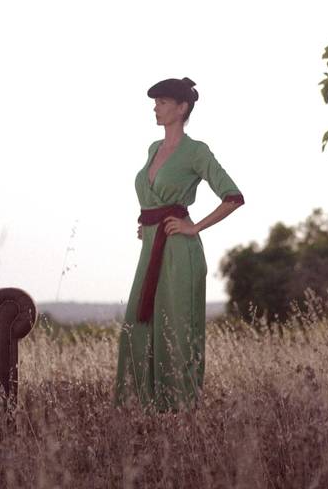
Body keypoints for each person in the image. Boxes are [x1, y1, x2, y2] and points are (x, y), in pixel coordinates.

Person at [114, 77, 244, 411]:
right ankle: (140, 410)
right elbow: (151, 198)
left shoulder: (196, 151)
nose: (155, 108)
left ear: (182, 107)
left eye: (162, 102)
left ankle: (181, 413)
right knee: (137, 329)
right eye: (155, 103)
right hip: (151, 250)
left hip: (179, 252)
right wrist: (147, 223)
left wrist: (194, 226)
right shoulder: (153, 149)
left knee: (177, 331)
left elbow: (232, 196)